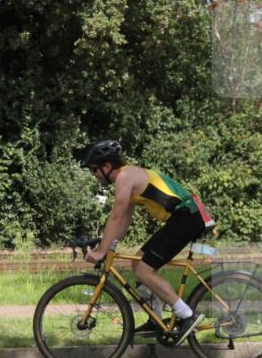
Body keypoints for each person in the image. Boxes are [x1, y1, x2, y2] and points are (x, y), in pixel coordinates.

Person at [80, 139, 215, 345]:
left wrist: (100, 252)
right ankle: (156, 320)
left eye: (94, 169)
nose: (94, 175)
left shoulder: (124, 177)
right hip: (182, 218)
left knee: (144, 270)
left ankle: (187, 315)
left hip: (187, 218)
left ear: (107, 166)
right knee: (137, 264)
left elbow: (115, 217)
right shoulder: (129, 176)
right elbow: (124, 220)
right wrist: (107, 248)